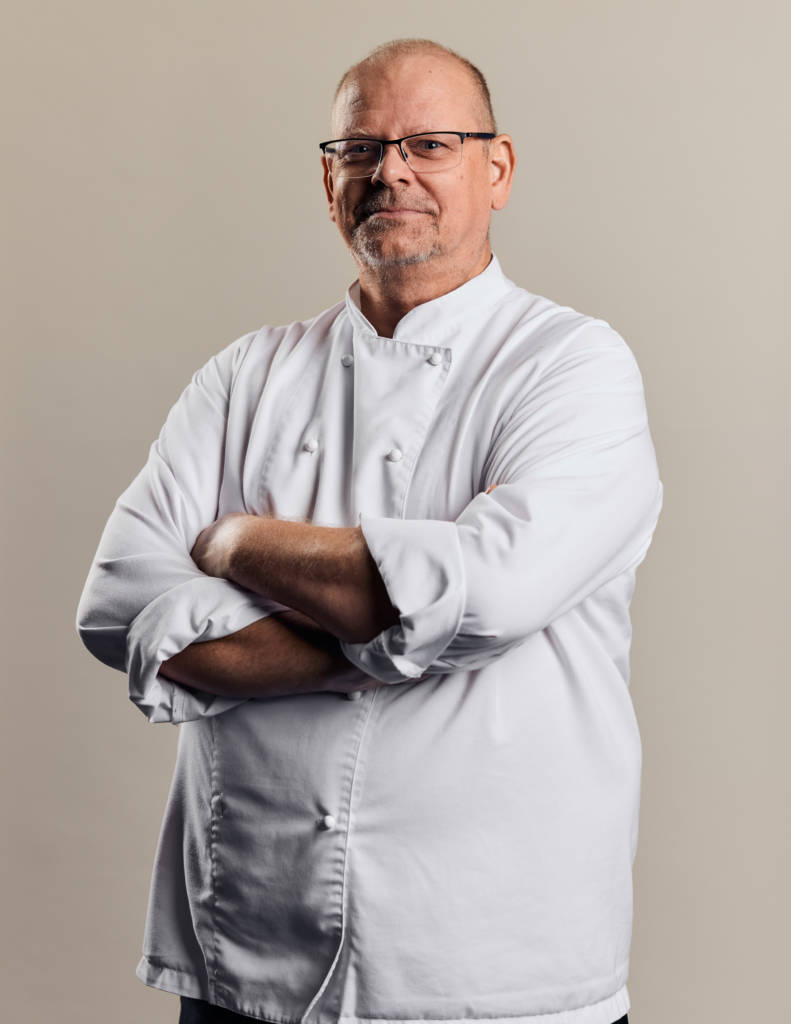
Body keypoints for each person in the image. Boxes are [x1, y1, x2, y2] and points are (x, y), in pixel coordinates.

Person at [76, 37, 659, 1024]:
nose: (390, 171)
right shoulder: (246, 374)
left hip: (491, 963)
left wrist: (230, 545)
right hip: (247, 949)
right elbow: (116, 604)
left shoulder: (571, 366)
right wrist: (402, 629)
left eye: (429, 144)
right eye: (361, 149)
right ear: (329, 179)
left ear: (496, 168)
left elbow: (492, 592)